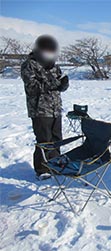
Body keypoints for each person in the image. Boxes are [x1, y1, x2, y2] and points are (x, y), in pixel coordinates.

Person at [21, 35, 69, 180]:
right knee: (44, 139)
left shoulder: (54, 66)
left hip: (55, 108)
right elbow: (32, 87)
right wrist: (55, 84)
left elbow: (59, 81)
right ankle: (42, 169)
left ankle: (55, 164)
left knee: (57, 138)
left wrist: (63, 85)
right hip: (40, 109)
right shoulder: (30, 64)